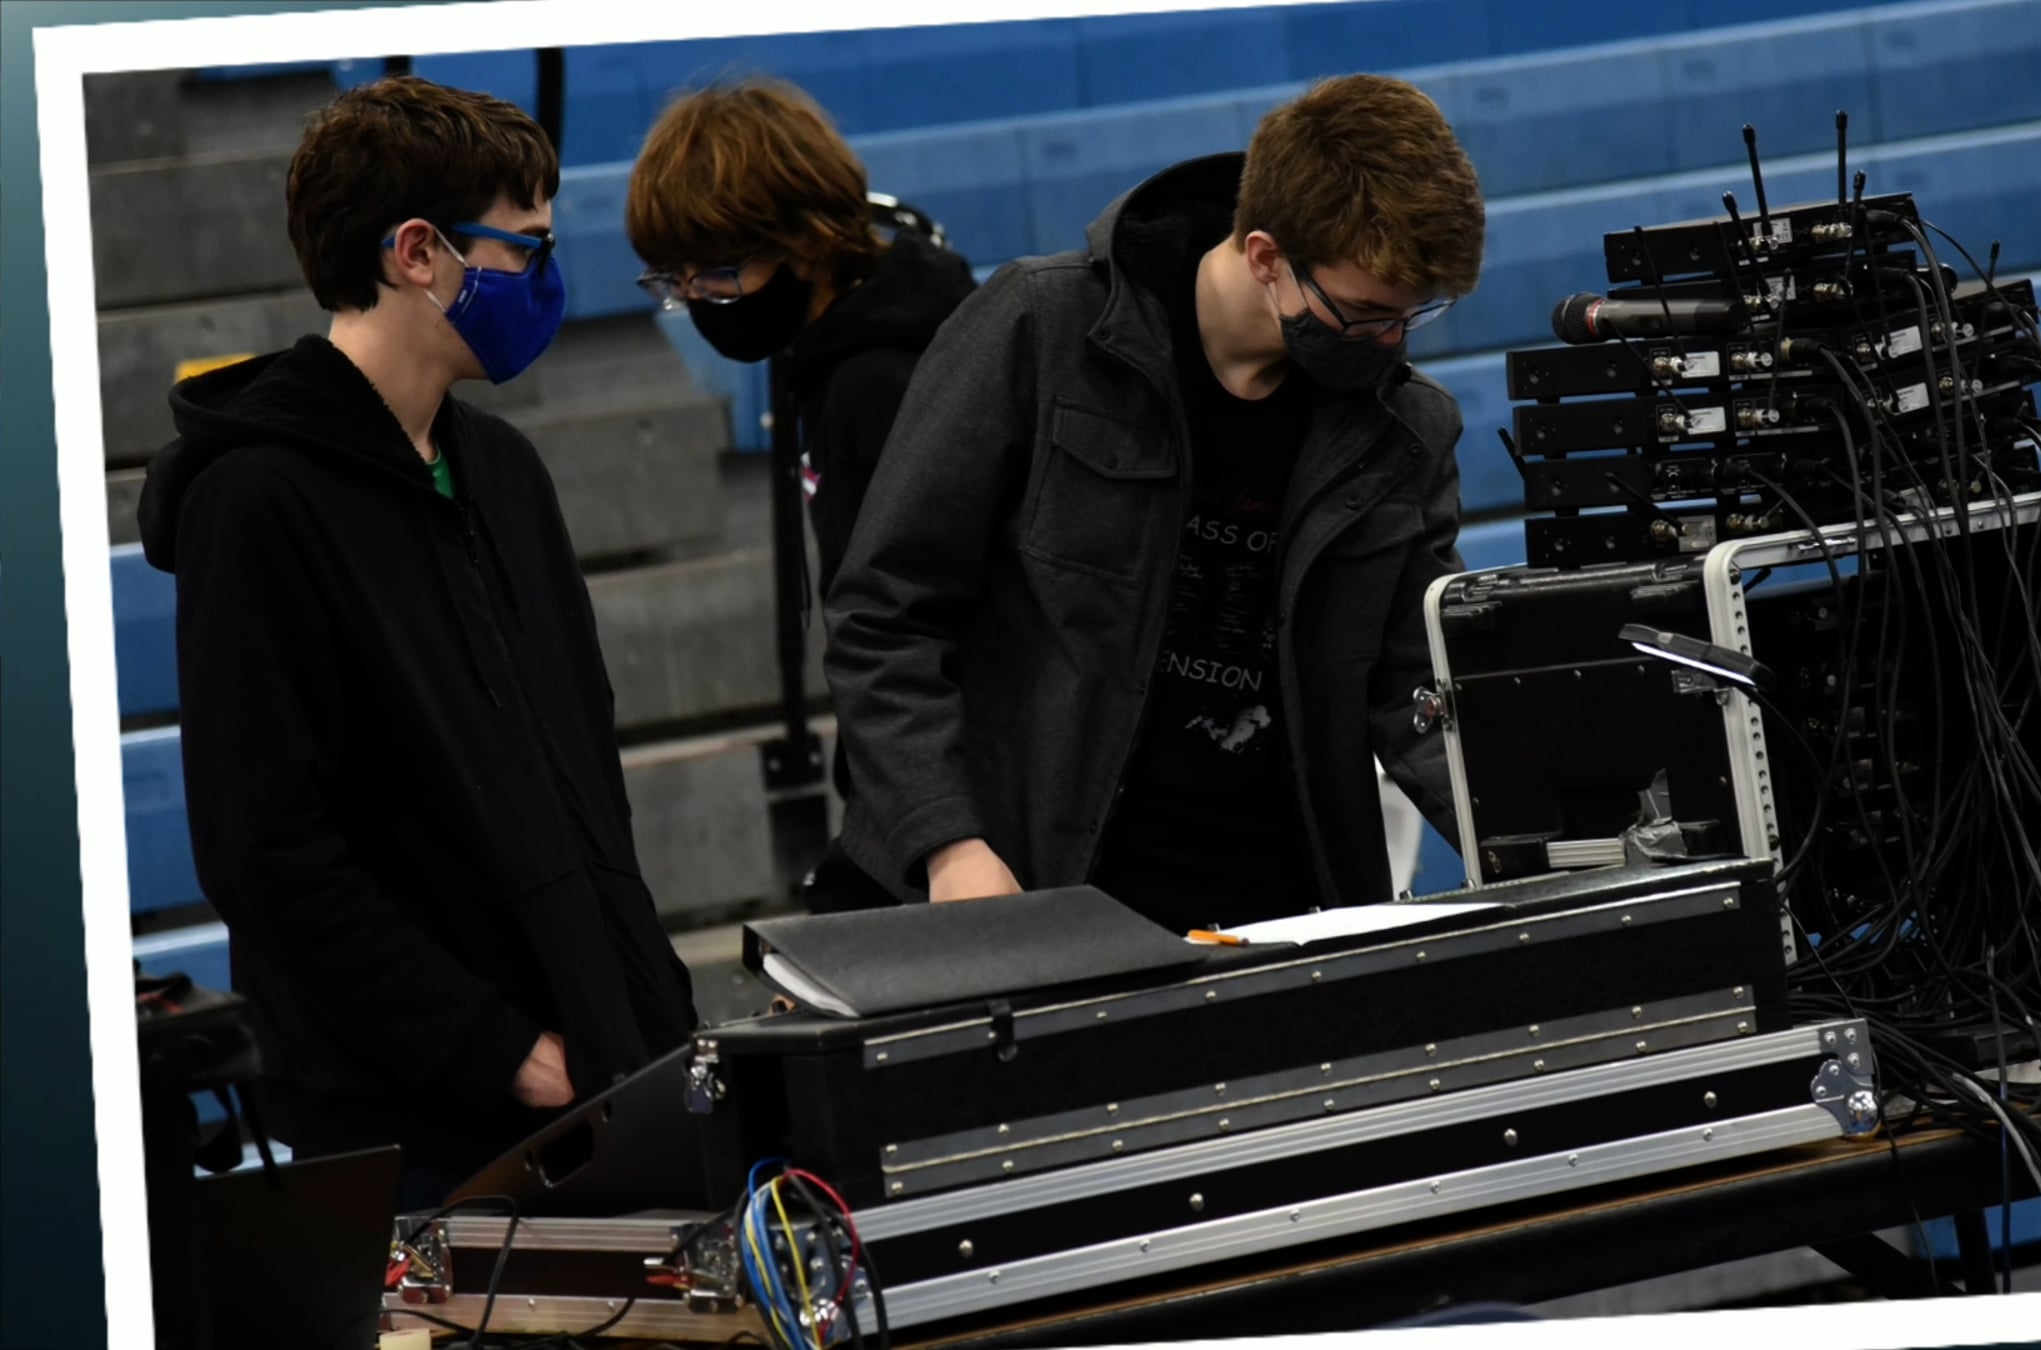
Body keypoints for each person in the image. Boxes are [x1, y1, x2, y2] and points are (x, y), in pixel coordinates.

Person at [137, 76, 696, 1210]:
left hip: (597, 1071)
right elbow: (264, 851)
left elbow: (584, 788)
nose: (546, 278)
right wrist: (494, 1047)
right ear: (417, 254)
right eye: (525, 247)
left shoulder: (506, 472)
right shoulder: (256, 503)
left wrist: (648, 1008)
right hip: (412, 1119)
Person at [821, 74, 1484, 932]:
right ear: (1265, 257)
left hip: (1282, 916)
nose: (1389, 342)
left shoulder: (1407, 426)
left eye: (1411, 316)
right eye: (1361, 313)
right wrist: (947, 842)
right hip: (1036, 894)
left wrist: (1545, 846)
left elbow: (1417, 692)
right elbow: (883, 615)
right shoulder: (1038, 331)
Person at [624, 76, 979, 912]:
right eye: (676, 281)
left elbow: (923, 626)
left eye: (718, 275)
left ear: (806, 240)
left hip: (947, 801)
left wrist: (922, 825)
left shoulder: (877, 383)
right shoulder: (832, 349)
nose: (699, 301)